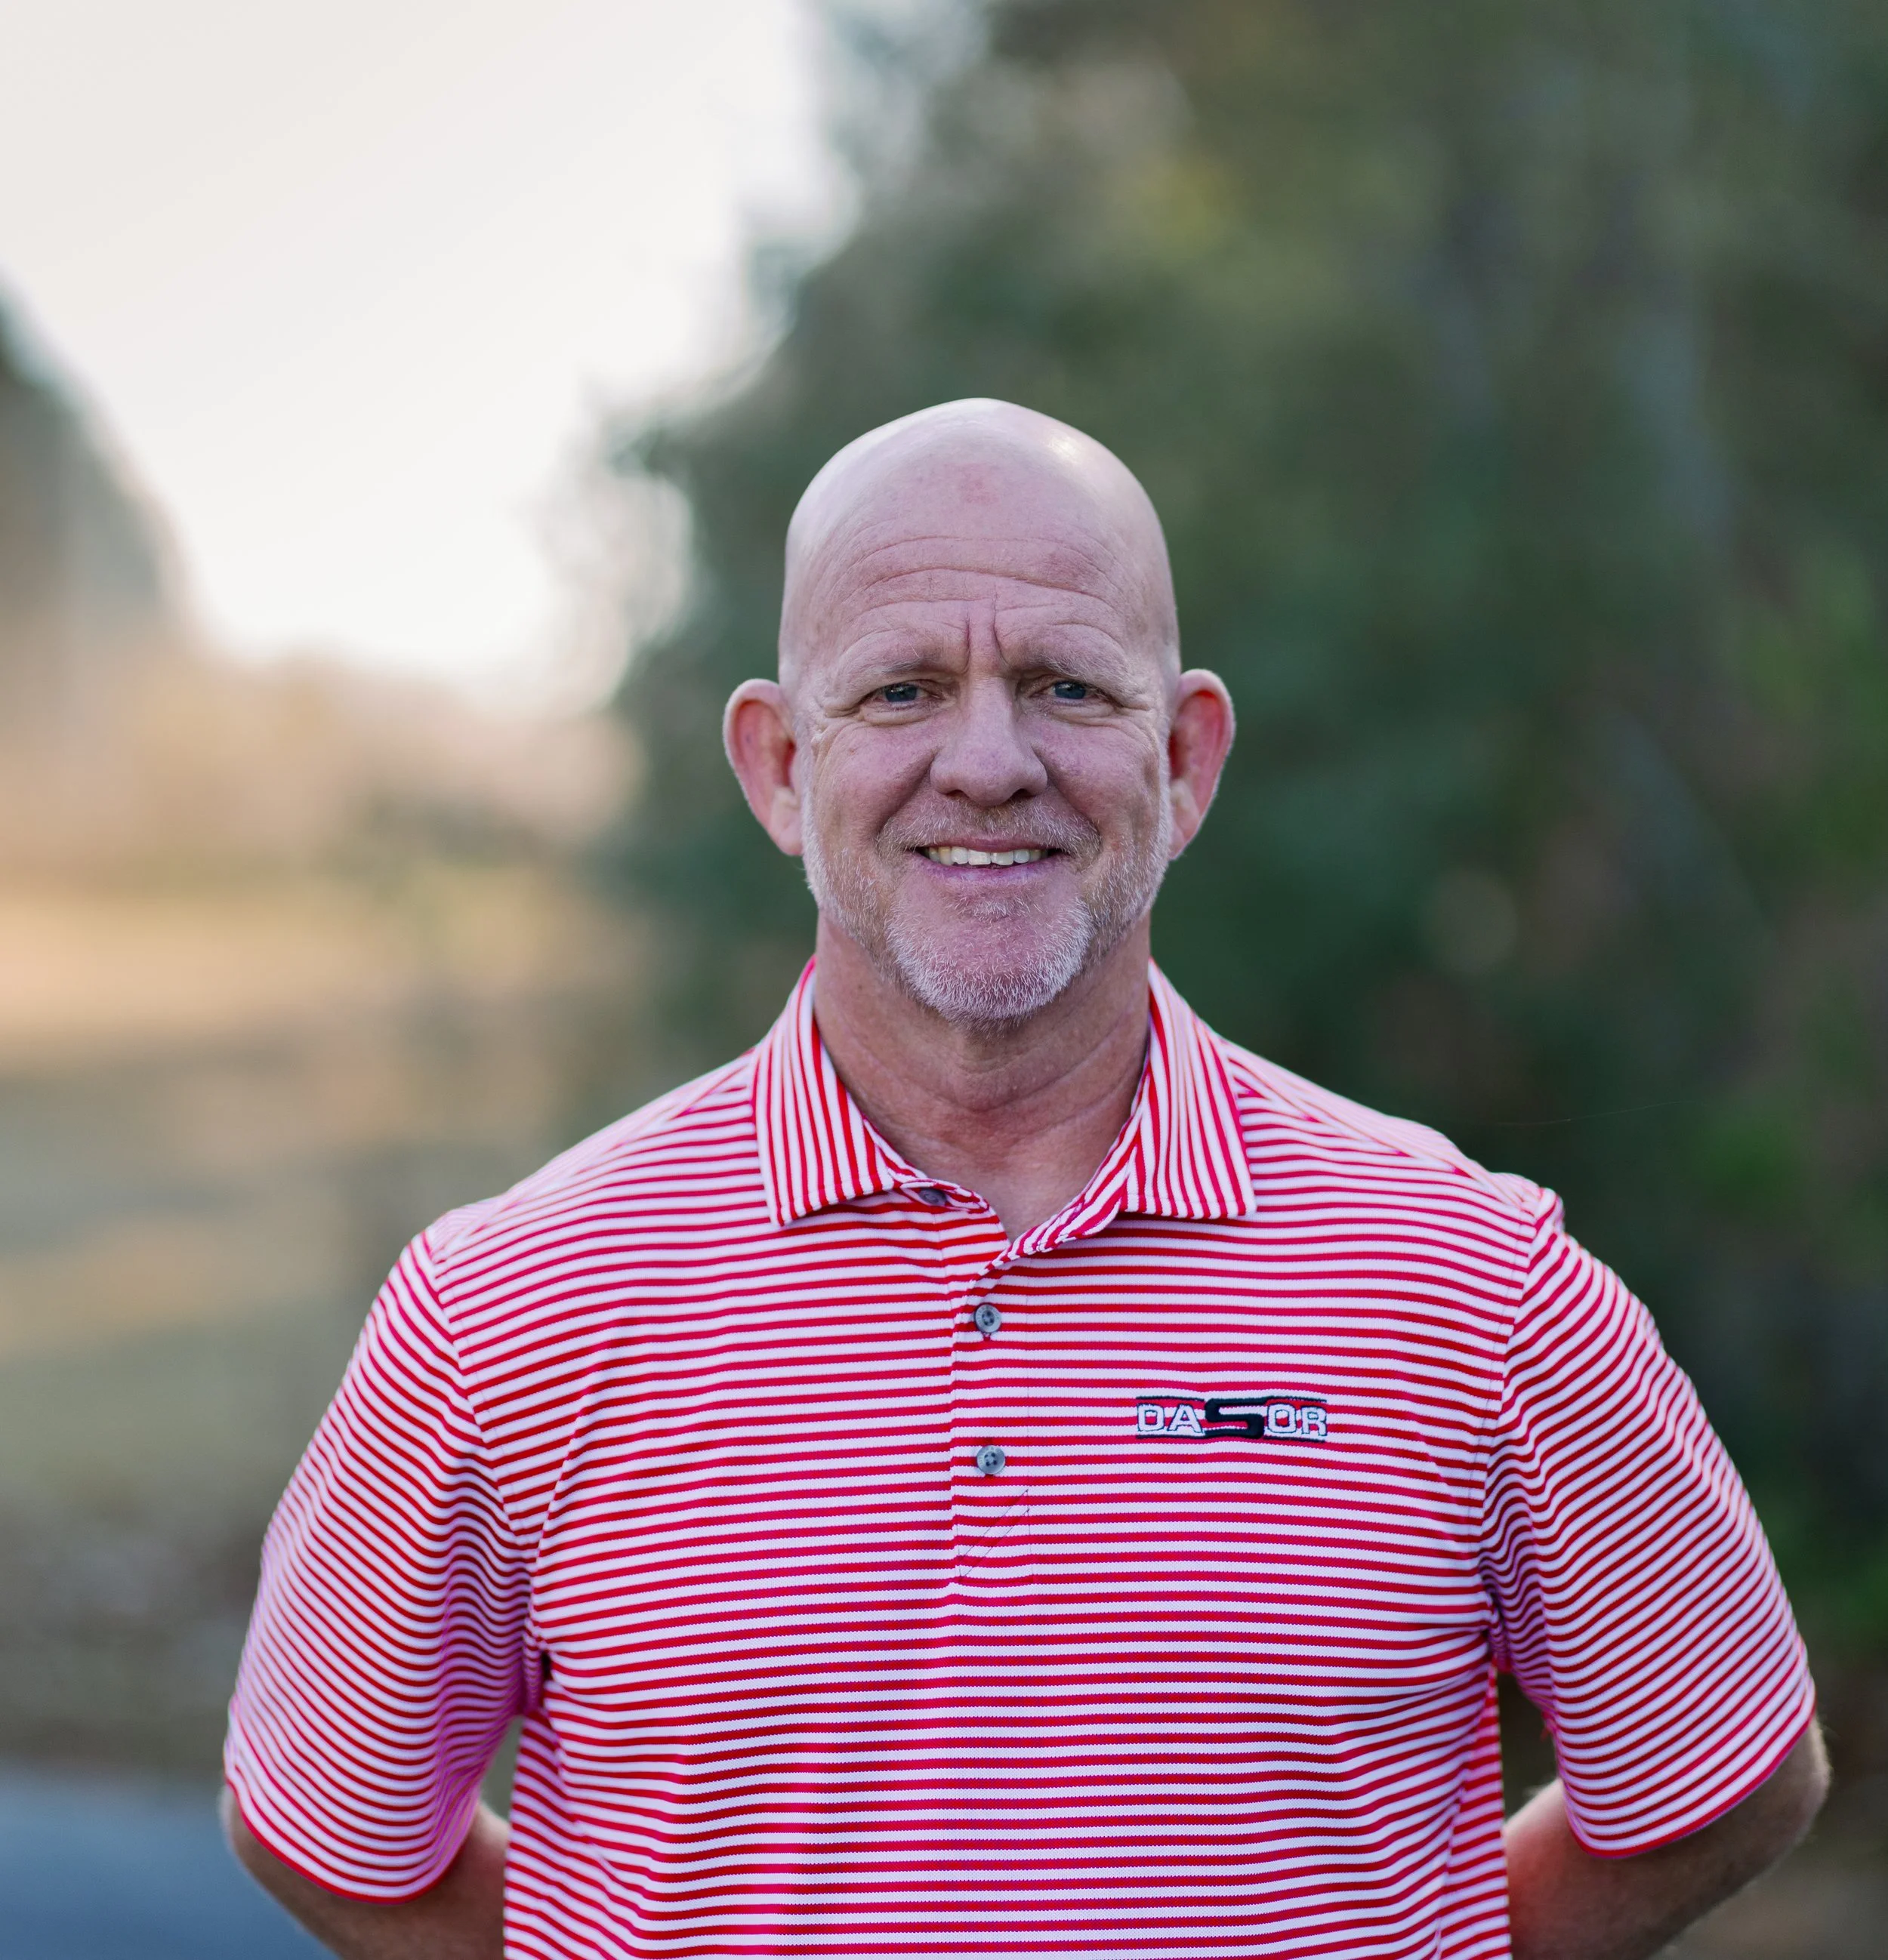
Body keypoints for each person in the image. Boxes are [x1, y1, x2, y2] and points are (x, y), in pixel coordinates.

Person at [224, 399, 1826, 1960]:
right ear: (778, 763)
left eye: (1065, 684)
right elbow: (332, 1831)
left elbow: (1726, 1775)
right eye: (902, 689)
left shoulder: (1472, 1283)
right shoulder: (504, 1308)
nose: (985, 762)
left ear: (1184, 758)